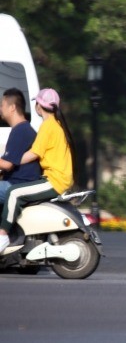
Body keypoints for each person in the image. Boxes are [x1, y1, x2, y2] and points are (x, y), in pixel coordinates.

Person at [0, 88, 75, 252]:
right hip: (57, 179)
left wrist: (12, 160)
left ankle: (3, 235)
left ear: (39, 106)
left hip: (54, 180)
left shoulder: (48, 126)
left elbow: (34, 153)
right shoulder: (55, 125)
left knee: (14, 193)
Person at [0, 88, 41, 204]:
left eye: (2, 105)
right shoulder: (23, 129)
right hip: (16, 183)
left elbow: (7, 165)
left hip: (17, 185)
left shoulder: (20, 131)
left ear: (12, 107)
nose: (0, 109)